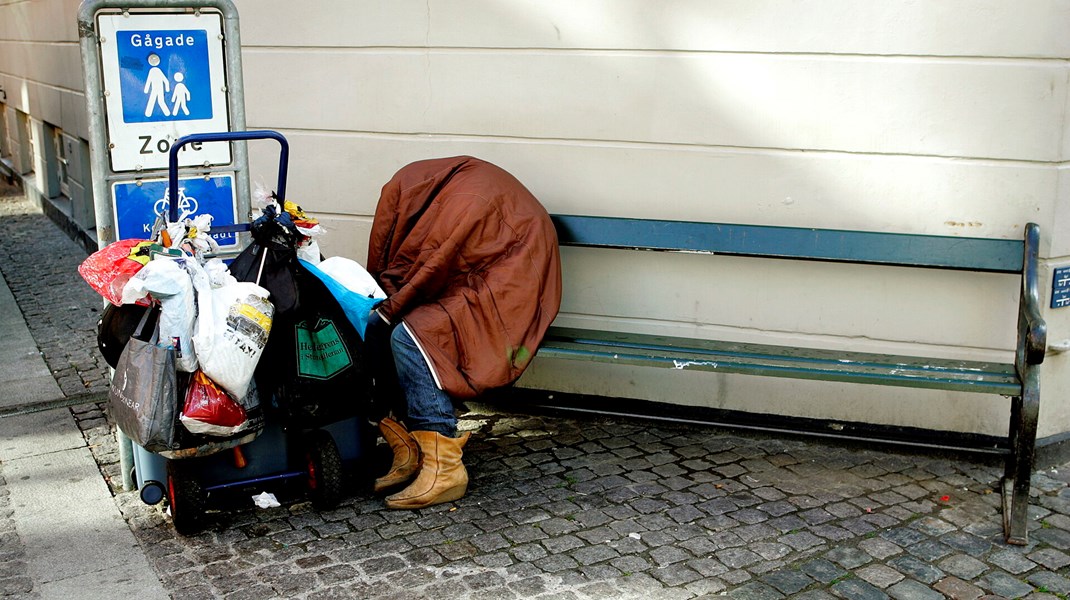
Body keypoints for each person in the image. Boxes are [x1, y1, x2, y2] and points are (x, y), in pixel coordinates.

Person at [364, 156, 562, 509]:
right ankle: (412, 448)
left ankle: (445, 467)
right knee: (394, 327)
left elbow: (431, 267)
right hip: (488, 275)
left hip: (513, 285)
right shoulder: (448, 190)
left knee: (413, 336)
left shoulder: (460, 200)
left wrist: (388, 310)